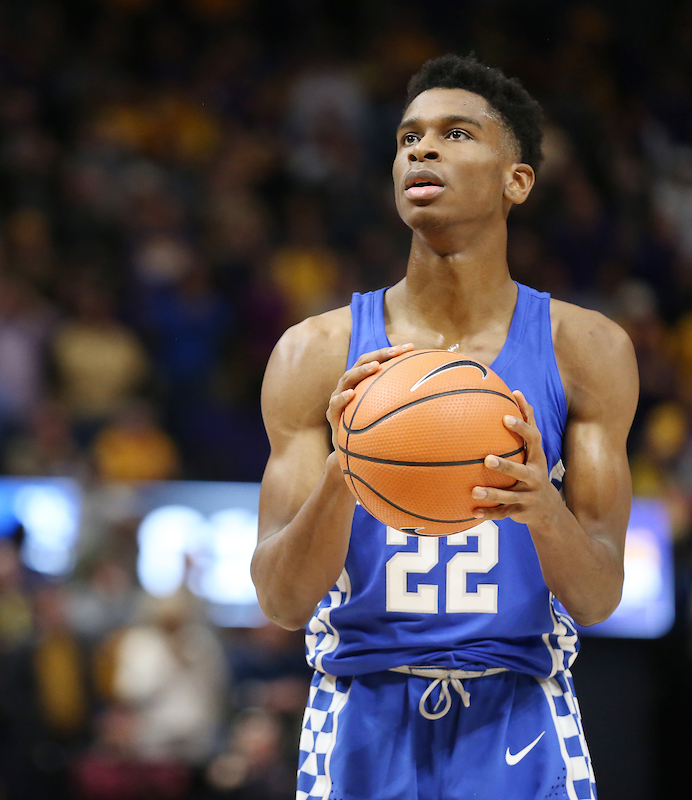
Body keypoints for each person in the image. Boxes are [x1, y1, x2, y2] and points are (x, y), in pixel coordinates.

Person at [251, 55, 638, 800]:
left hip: (519, 710)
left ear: (516, 180)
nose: (421, 150)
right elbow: (280, 599)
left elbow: (597, 596)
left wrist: (539, 504)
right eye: (407, 139)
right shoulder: (316, 352)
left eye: (455, 134)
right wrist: (344, 472)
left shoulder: (585, 349)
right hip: (361, 709)